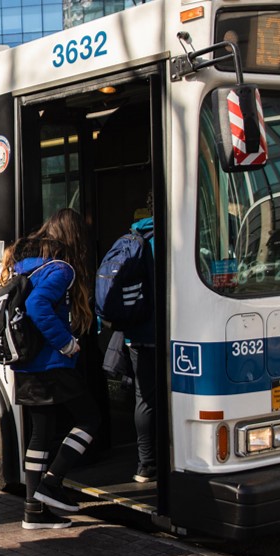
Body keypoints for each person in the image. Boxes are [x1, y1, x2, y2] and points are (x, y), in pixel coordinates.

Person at [10, 208, 99, 529]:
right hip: (51, 363)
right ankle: (52, 483)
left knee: (41, 434)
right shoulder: (61, 269)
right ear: (74, 237)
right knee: (90, 419)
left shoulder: (26, 266)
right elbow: (37, 306)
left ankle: (33, 512)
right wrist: (65, 342)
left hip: (26, 364)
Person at [122, 205, 156, 483]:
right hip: (165, 333)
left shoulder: (134, 238)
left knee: (143, 399)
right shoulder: (173, 236)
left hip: (136, 333)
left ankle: (146, 465)